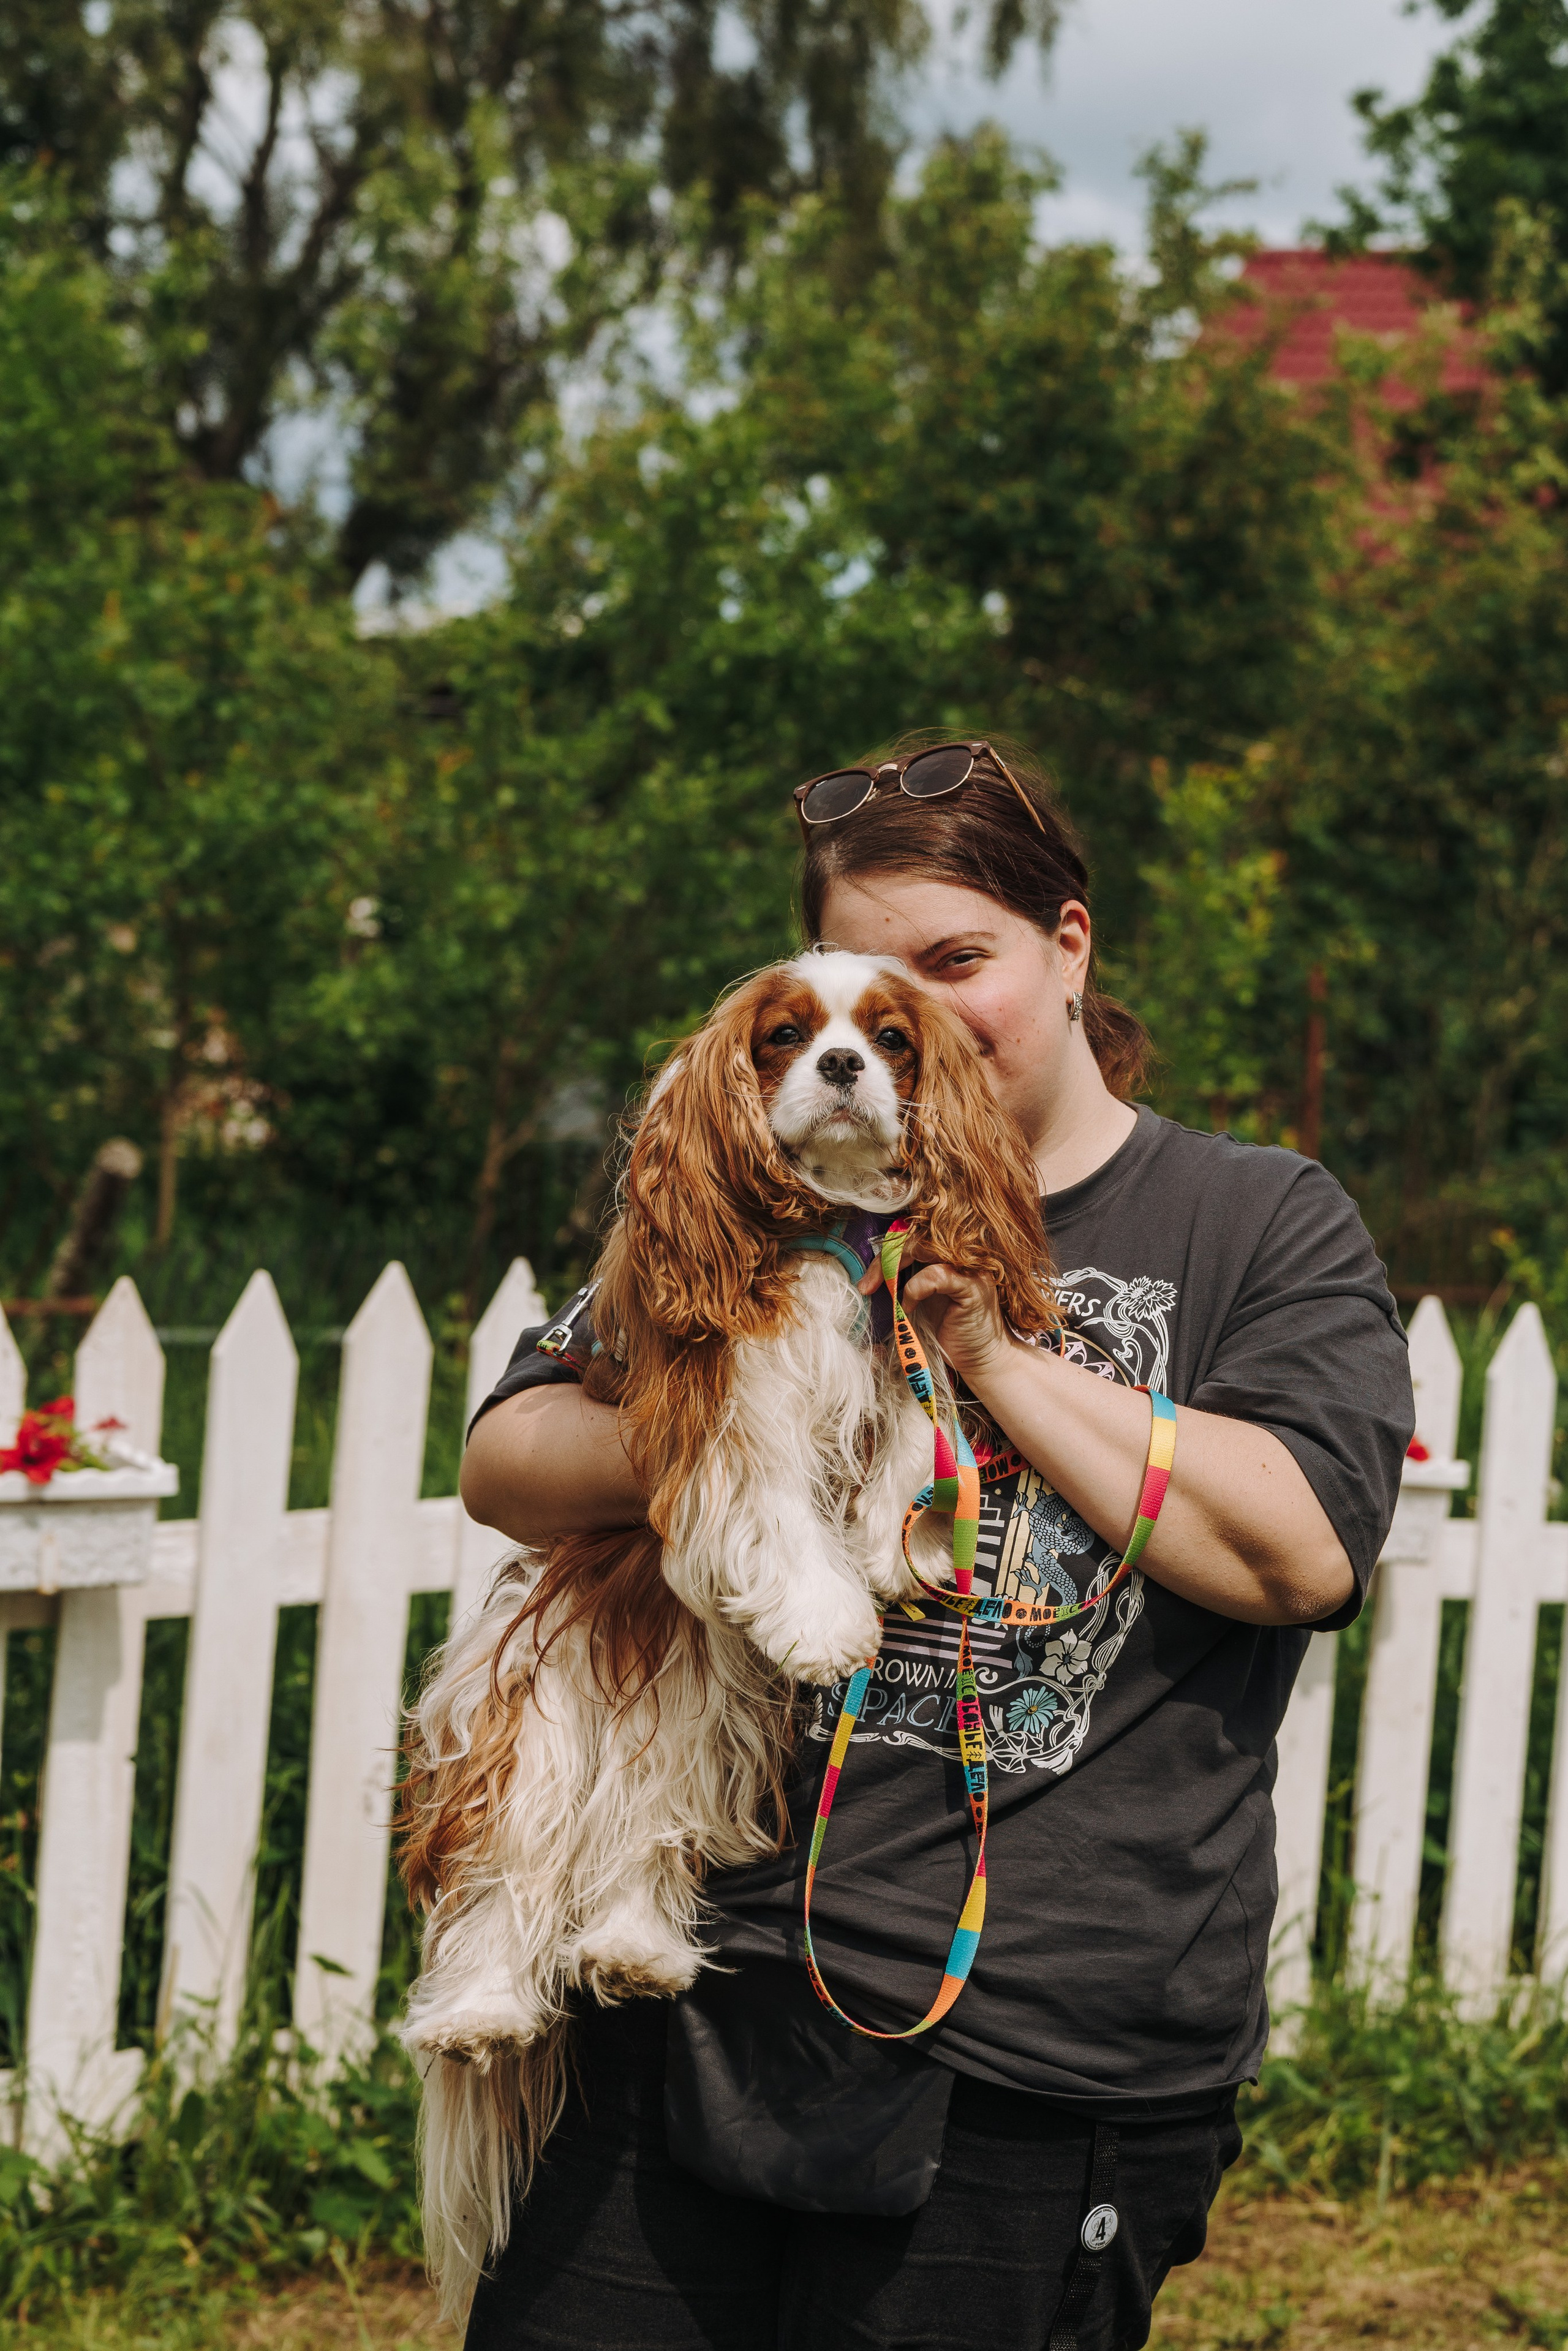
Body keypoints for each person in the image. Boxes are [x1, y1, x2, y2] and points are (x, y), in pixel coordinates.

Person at [457, 736, 1414, 2351]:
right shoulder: (762, 1193)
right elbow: (509, 1459)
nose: (912, 1023)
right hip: (680, 1992)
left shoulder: (1254, 1219)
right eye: (866, 976)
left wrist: (986, 1354)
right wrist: (754, 1422)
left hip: (1032, 2061)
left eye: (958, 964)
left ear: (1070, 943)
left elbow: (1299, 1553)